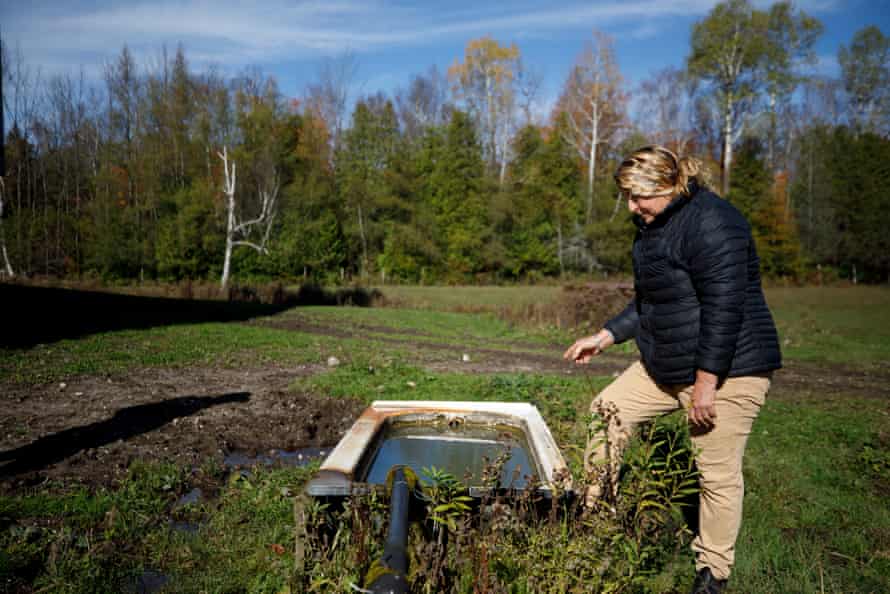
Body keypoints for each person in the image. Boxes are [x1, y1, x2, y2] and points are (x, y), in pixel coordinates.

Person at [563, 145, 781, 594]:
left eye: (637, 196)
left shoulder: (714, 222)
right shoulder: (652, 224)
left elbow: (725, 309)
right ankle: (596, 522)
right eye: (626, 196)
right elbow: (651, 299)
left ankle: (713, 574)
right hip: (667, 363)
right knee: (607, 410)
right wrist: (603, 337)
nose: (630, 206)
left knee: (716, 473)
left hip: (729, 368)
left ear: (667, 185)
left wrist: (706, 386)